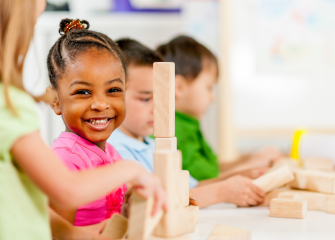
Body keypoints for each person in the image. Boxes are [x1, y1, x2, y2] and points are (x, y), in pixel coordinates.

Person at [0, 1, 166, 238]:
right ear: (56, 100)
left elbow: (25, 203)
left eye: (114, 90)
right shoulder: (66, 154)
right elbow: (66, 191)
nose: (100, 104)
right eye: (83, 92)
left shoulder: (110, 155)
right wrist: (131, 170)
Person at [108, 39, 266, 208]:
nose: (158, 108)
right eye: (145, 98)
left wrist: (240, 177)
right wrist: (222, 191)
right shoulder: (114, 150)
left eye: (162, 97)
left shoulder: (152, 144)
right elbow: (154, 202)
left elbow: (190, 188)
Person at [156, 36, 282, 183]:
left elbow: (212, 168)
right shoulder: (172, 129)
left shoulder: (188, 123)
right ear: (179, 87)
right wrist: (250, 166)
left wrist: (250, 160)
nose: (213, 97)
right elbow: (204, 178)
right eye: (209, 88)